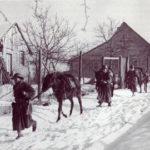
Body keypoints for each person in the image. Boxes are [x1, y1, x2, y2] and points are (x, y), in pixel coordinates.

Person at [11, 73, 37, 139]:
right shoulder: (15, 86)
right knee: (17, 119)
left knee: (27, 121)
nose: (15, 80)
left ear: (20, 78)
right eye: (14, 79)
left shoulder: (25, 84)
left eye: (16, 78)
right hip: (17, 105)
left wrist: (26, 94)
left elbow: (33, 92)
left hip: (24, 105)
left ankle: (33, 123)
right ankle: (19, 134)